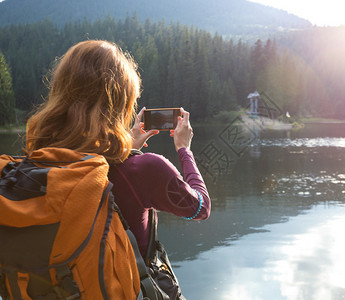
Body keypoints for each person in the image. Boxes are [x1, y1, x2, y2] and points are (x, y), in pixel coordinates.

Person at [25, 40, 211, 298]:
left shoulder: (31, 167)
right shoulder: (145, 169)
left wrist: (127, 147)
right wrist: (184, 149)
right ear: (121, 103)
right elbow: (200, 209)